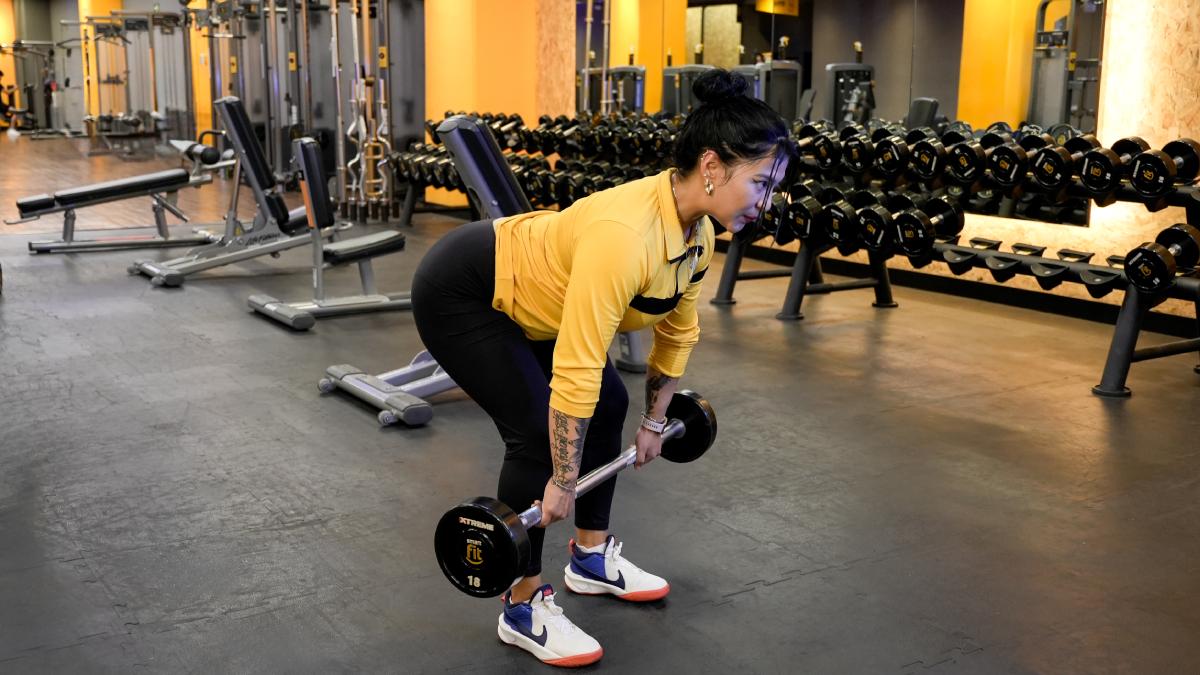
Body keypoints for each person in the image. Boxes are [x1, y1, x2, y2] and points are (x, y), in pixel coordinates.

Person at [411, 69, 793, 667]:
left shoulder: (698, 238)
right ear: (714, 167)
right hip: (467, 290)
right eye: (762, 182)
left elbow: (677, 330)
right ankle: (521, 603)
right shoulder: (625, 236)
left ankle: (589, 558)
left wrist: (655, 422)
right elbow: (580, 364)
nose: (768, 201)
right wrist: (562, 478)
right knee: (538, 432)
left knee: (614, 405)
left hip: (534, 301)